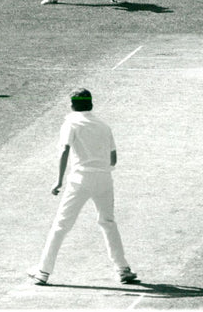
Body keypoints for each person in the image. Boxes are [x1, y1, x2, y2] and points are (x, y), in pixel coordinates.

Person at [28, 88, 138, 285]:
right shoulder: (104, 126)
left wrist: (59, 180)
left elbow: (64, 151)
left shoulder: (70, 123)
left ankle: (43, 272)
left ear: (72, 105)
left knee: (61, 225)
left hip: (80, 180)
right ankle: (123, 269)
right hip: (104, 179)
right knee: (108, 223)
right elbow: (113, 159)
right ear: (91, 105)